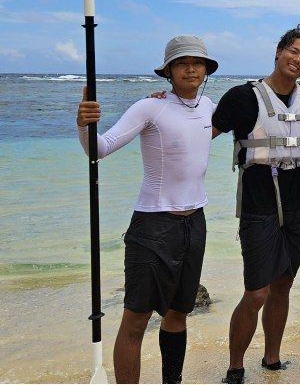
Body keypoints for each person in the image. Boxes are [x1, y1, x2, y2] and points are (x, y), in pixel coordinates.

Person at [76, 35, 219, 384]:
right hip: (153, 227)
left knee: (178, 315)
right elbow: (99, 149)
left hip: (194, 224)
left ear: (205, 70)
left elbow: (201, 140)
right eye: (182, 62)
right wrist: (83, 124)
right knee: (136, 319)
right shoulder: (149, 107)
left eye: (197, 62)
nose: (190, 68)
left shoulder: (209, 107)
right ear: (168, 71)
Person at [213, 25, 300, 384]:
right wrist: (169, 101)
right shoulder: (244, 97)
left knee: (283, 285)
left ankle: (272, 360)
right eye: (293, 51)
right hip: (258, 196)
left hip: (296, 196)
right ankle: (235, 367)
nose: (297, 60)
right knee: (256, 290)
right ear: (278, 51)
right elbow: (199, 129)